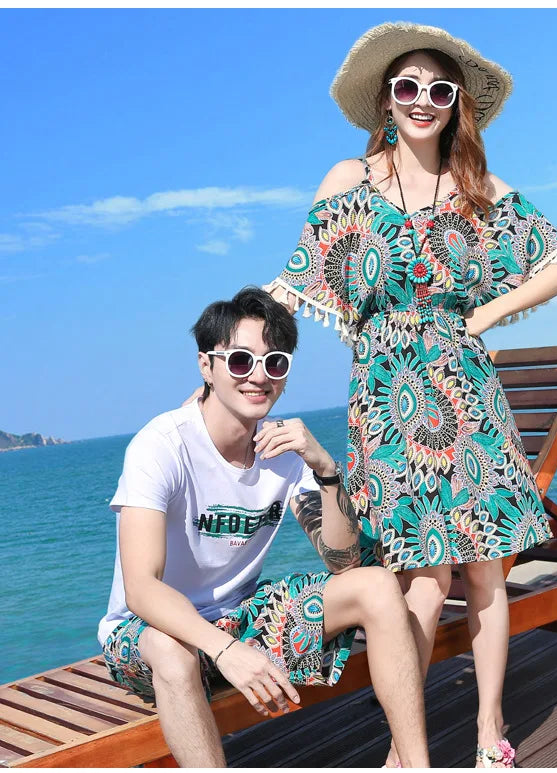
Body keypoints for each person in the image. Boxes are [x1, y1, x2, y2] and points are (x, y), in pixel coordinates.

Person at [264, 22, 557, 768]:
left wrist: (484, 314)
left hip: (466, 392)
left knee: (481, 568)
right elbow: (297, 283)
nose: (422, 100)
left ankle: (487, 731)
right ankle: (405, 748)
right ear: (386, 98)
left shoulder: (477, 190)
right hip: (384, 398)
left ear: (456, 106)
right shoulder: (349, 181)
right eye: (407, 86)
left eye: (439, 90)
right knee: (416, 570)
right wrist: (235, 370)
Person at [97, 286, 430, 768]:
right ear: (206, 366)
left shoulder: (283, 450)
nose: (259, 377)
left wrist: (325, 468)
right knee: (170, 649)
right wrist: (227, 651)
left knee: (377, 585)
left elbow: (344, 562)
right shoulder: (161, 445)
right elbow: (141, 590)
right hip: (147, 633)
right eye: (239, 361)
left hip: (238, 615)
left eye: (275, 363)